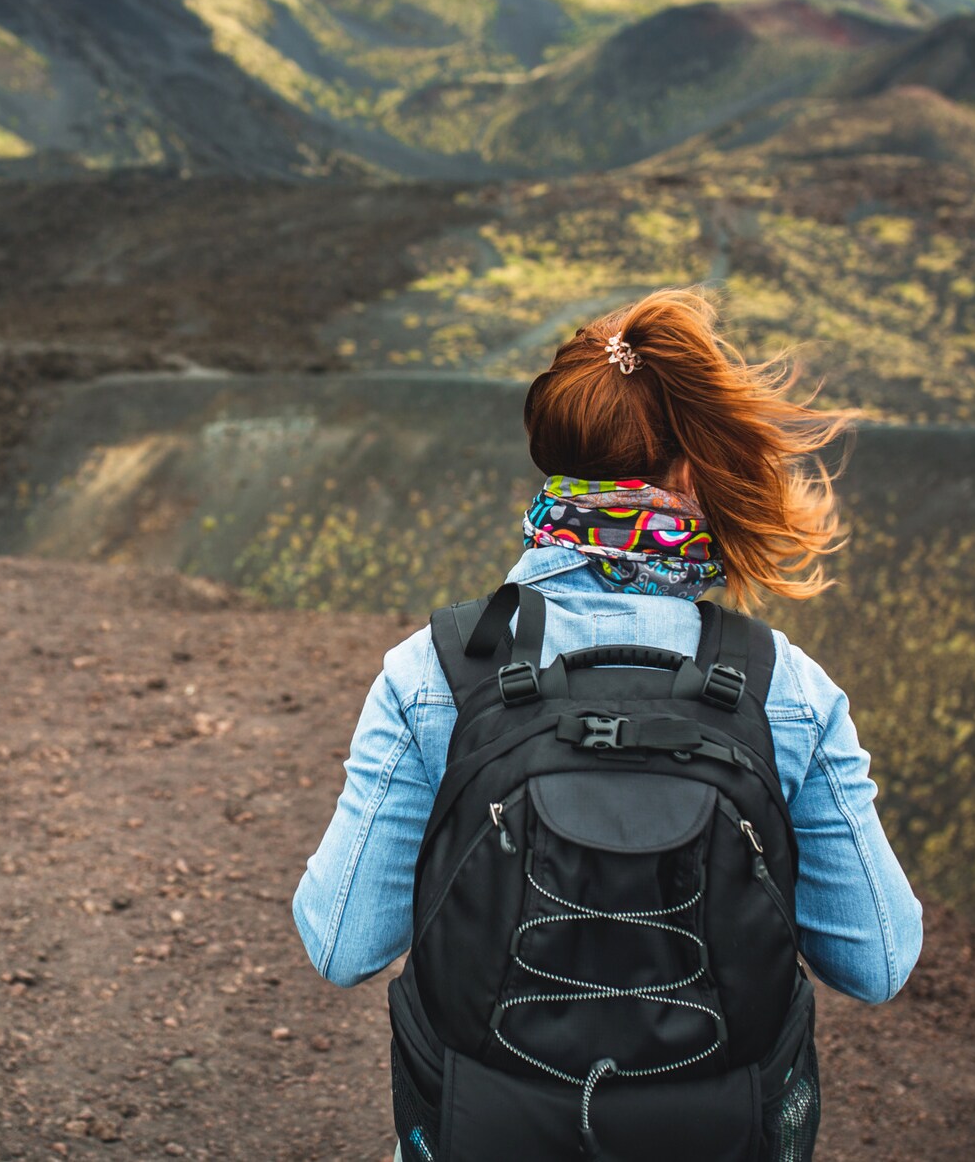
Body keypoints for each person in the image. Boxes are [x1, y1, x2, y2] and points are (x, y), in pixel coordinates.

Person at [292, 288, 922, 1160]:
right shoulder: (784, 688)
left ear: (552, 459)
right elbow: (879, 960)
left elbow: (341, 943)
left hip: (487, 1128)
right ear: (690, 474)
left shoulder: (435, 671)